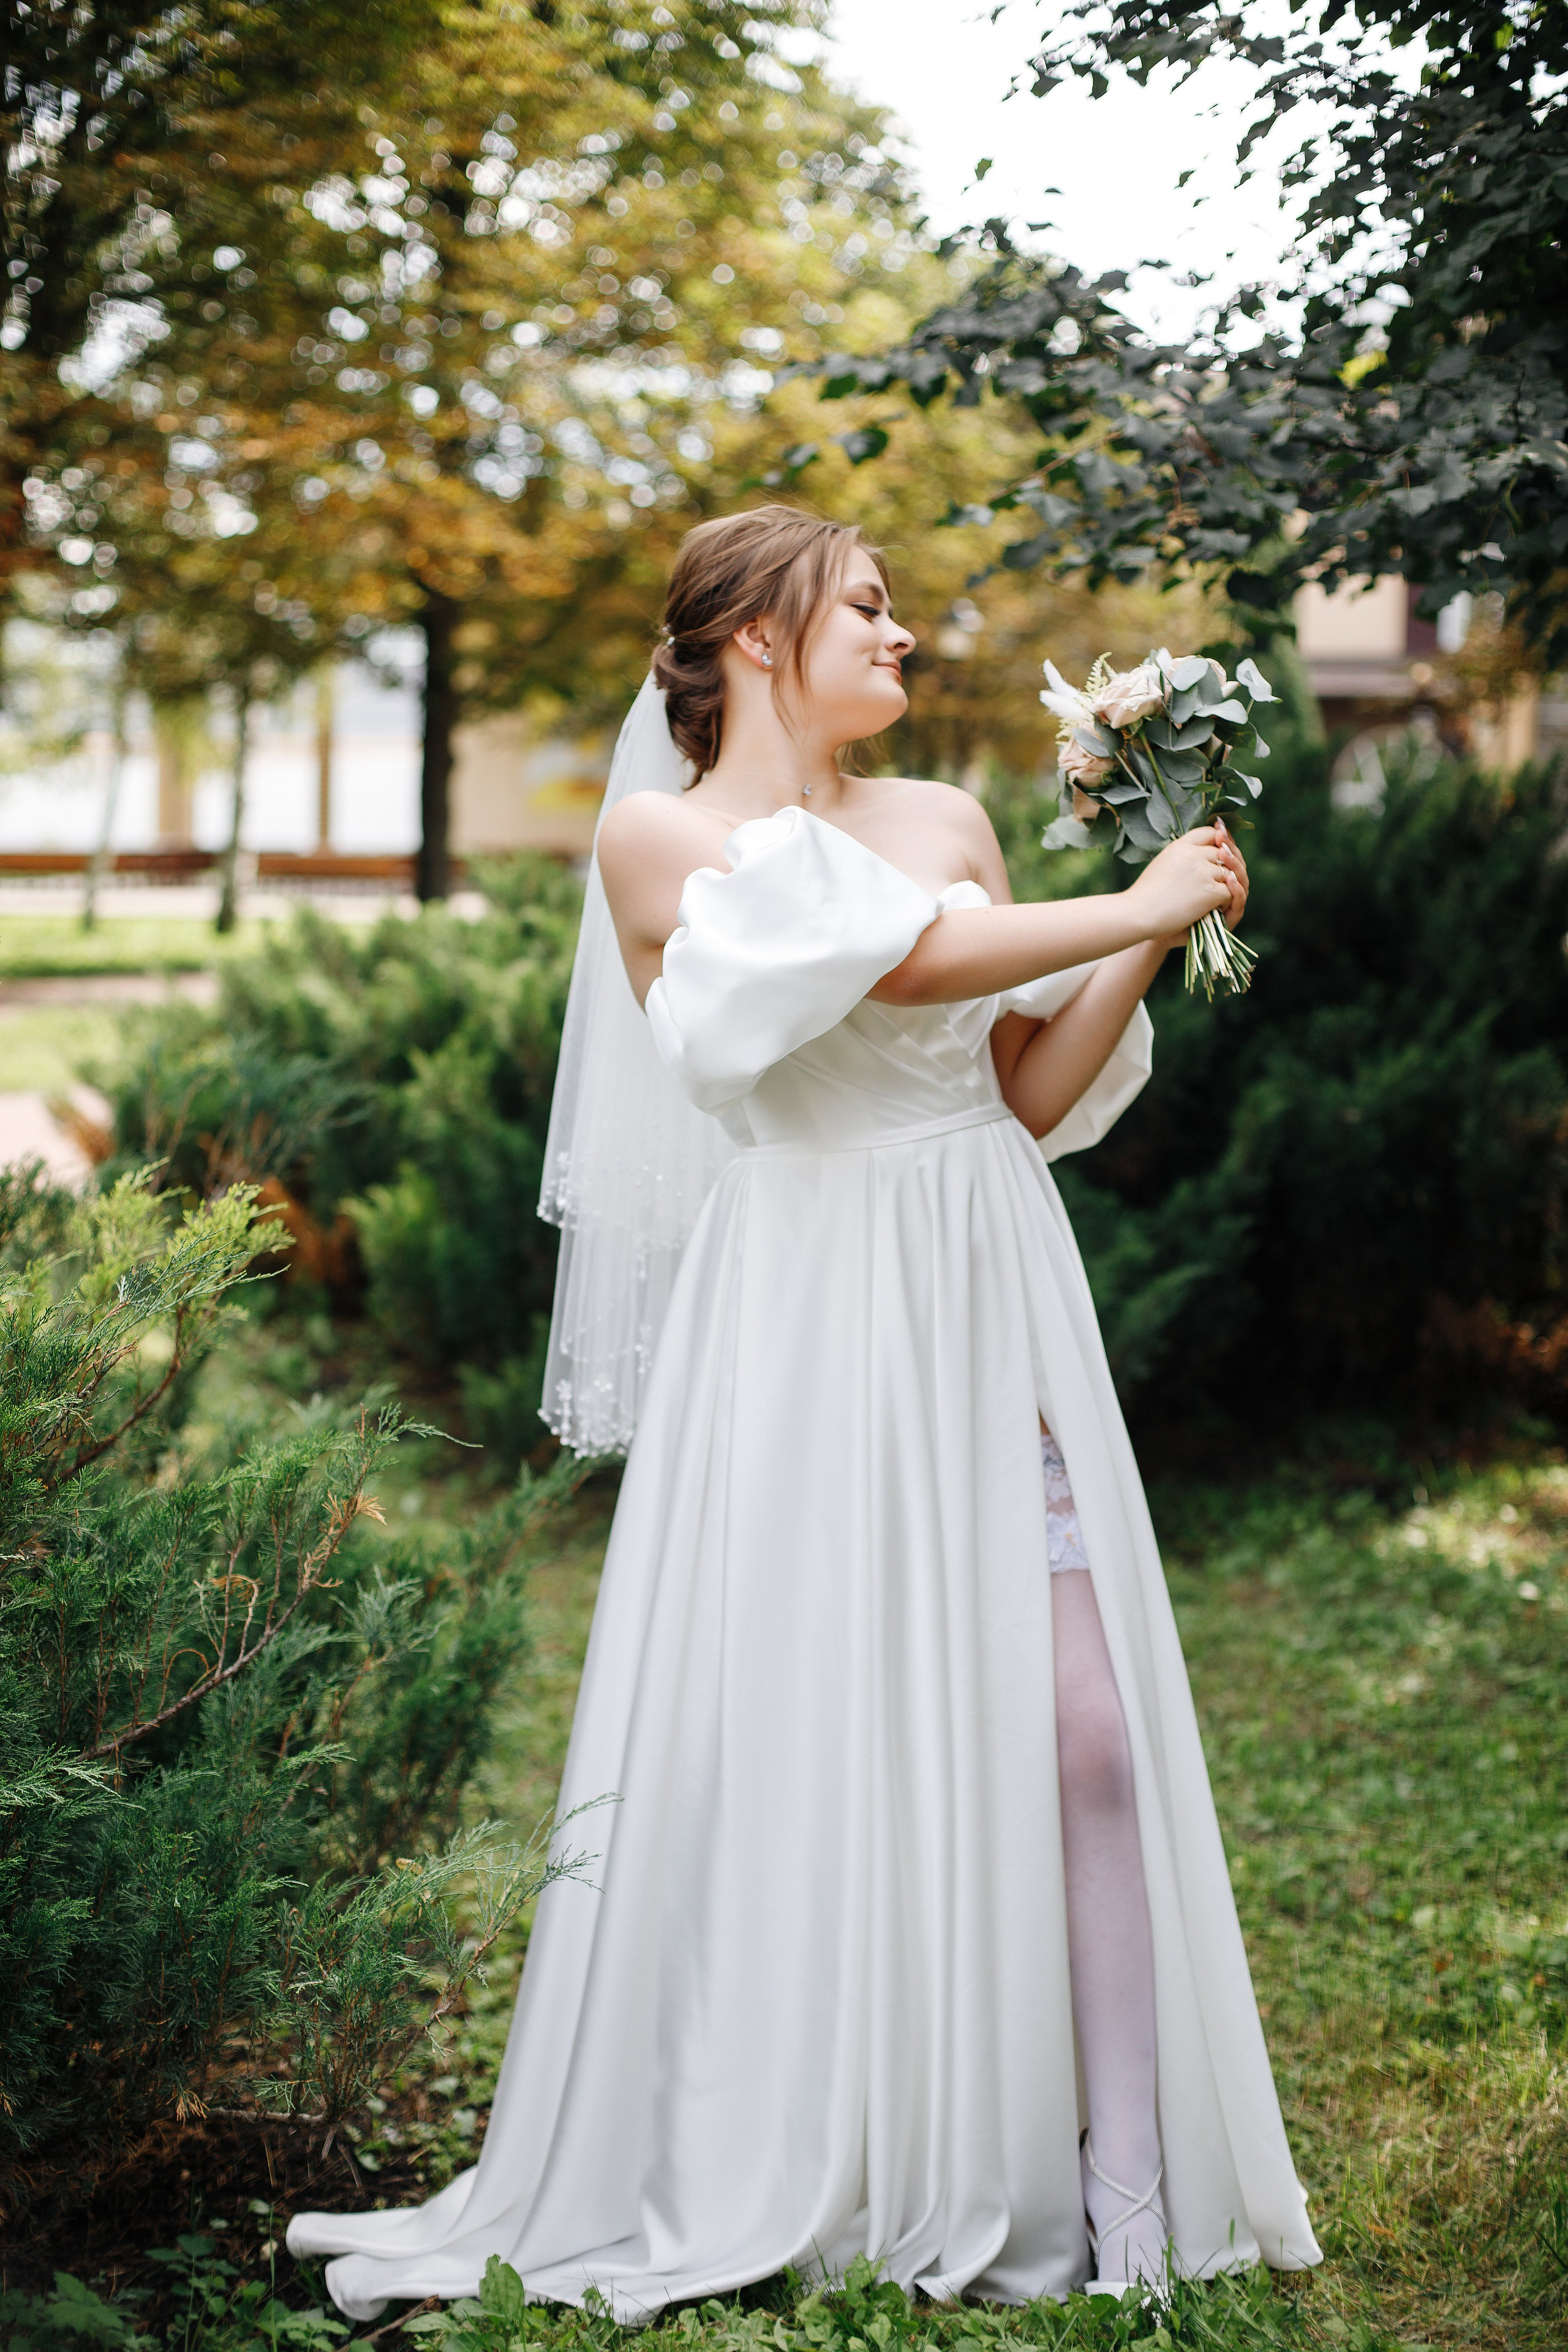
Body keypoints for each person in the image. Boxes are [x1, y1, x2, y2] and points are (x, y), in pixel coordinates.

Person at [289, 506, 1321, 2318]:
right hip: (805, 1312)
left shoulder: (947, 824)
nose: (903, 633)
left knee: (1087, 1730)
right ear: (758, 637)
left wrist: (1148, 936)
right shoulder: (656, 840)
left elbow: (1016, 1086)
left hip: (984, 1281)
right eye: (868, 605)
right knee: (820, 1740)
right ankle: (844, 2144)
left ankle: (1130, 2198)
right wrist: (1134, 896)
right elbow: (889, 966)